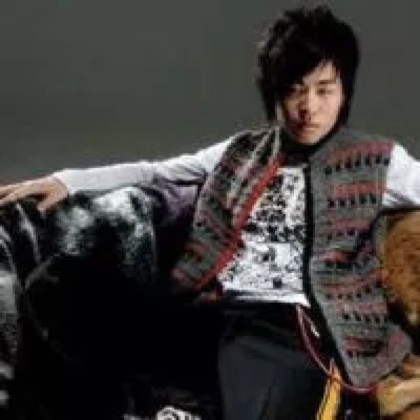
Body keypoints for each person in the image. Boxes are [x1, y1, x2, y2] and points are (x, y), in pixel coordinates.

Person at [2, 4, 420, 419]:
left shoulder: (376, 161)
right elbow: (155, 172)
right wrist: (66, 181)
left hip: (290, 327)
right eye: (295, 90)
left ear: (344, 92)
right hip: (208, 312)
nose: (309, 107)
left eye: (324, 90)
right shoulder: (242, 151)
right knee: (59, 283)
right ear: (274, 92)